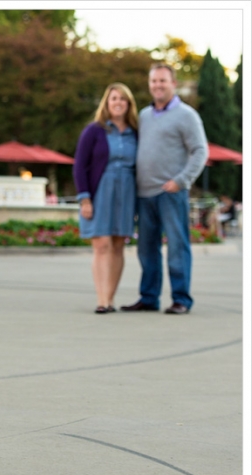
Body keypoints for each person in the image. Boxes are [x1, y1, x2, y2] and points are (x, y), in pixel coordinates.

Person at [121, 63, 208, 315]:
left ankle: (181, 298)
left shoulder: (186, 115)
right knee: (146, 249)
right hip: (144, 194)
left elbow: (200, 151)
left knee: (177, 247)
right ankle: (149, 297)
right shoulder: (145, 116)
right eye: (154, 81)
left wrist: (181, 180)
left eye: (162, 81)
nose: (158, 85)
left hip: (171, 193)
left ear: (173, 83)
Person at [73, 83, 138, 314]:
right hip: (100, 190)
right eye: (114, 99)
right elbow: (80, 166)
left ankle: (111, 298)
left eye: (123, 99)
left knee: (119, 245)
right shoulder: (94, 130)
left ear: (129, 104)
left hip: (127, 191)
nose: (118, 102)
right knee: (102, 245)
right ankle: (101, 300)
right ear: (107, 103)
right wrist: (85, 199)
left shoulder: (135, 132)